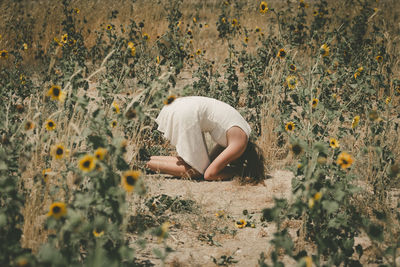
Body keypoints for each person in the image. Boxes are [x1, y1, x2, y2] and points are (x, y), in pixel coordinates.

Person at [146, 96, 265, 181]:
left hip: (180, 105)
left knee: (197, 164)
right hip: (188, 113)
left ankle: (145, 158)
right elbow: (209, 174)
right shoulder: (239, 144)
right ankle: (144, 164)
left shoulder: (241, 132)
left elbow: (210, 163)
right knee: (197, 171)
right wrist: (238, 172)